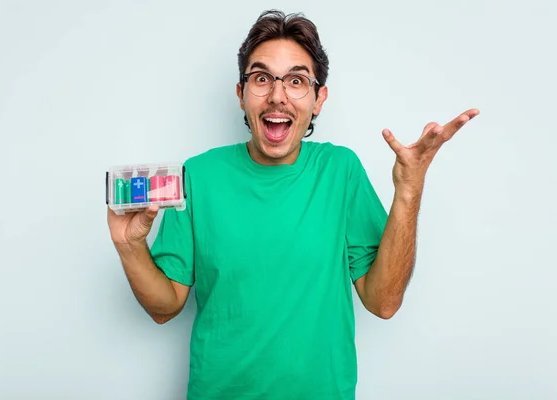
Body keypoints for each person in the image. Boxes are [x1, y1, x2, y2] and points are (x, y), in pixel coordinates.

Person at [107, 9, 479, 400]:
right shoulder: (197, 175)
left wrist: (408, 190)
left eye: (297, 81)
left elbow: (383, 302)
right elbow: (164, 307)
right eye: (261, 78)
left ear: (319, 99)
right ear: (241, 94)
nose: (278, 96)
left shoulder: (340, 171)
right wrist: (129, 246)